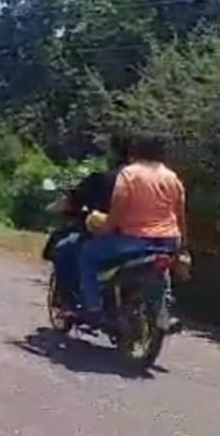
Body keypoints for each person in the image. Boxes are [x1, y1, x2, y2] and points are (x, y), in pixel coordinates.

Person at [75, 132, 186, 326]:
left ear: (136, 151)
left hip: (134, 240)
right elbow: (180, 215)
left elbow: (118, 209)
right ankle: (164, 309)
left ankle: (93, 308)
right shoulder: (172, 177)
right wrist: (183, 245)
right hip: (169, 240)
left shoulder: (129, 174)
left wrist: (105, 229)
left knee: (88, 255)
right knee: (163, 265)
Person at [44, 134, 131, 310]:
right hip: (142, 238)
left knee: (64, 250)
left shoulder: (101, 179)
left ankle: (71, 304)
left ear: (113, 153)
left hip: (104, 236)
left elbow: (70, 201)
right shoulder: (150, 182)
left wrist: (54, 208)